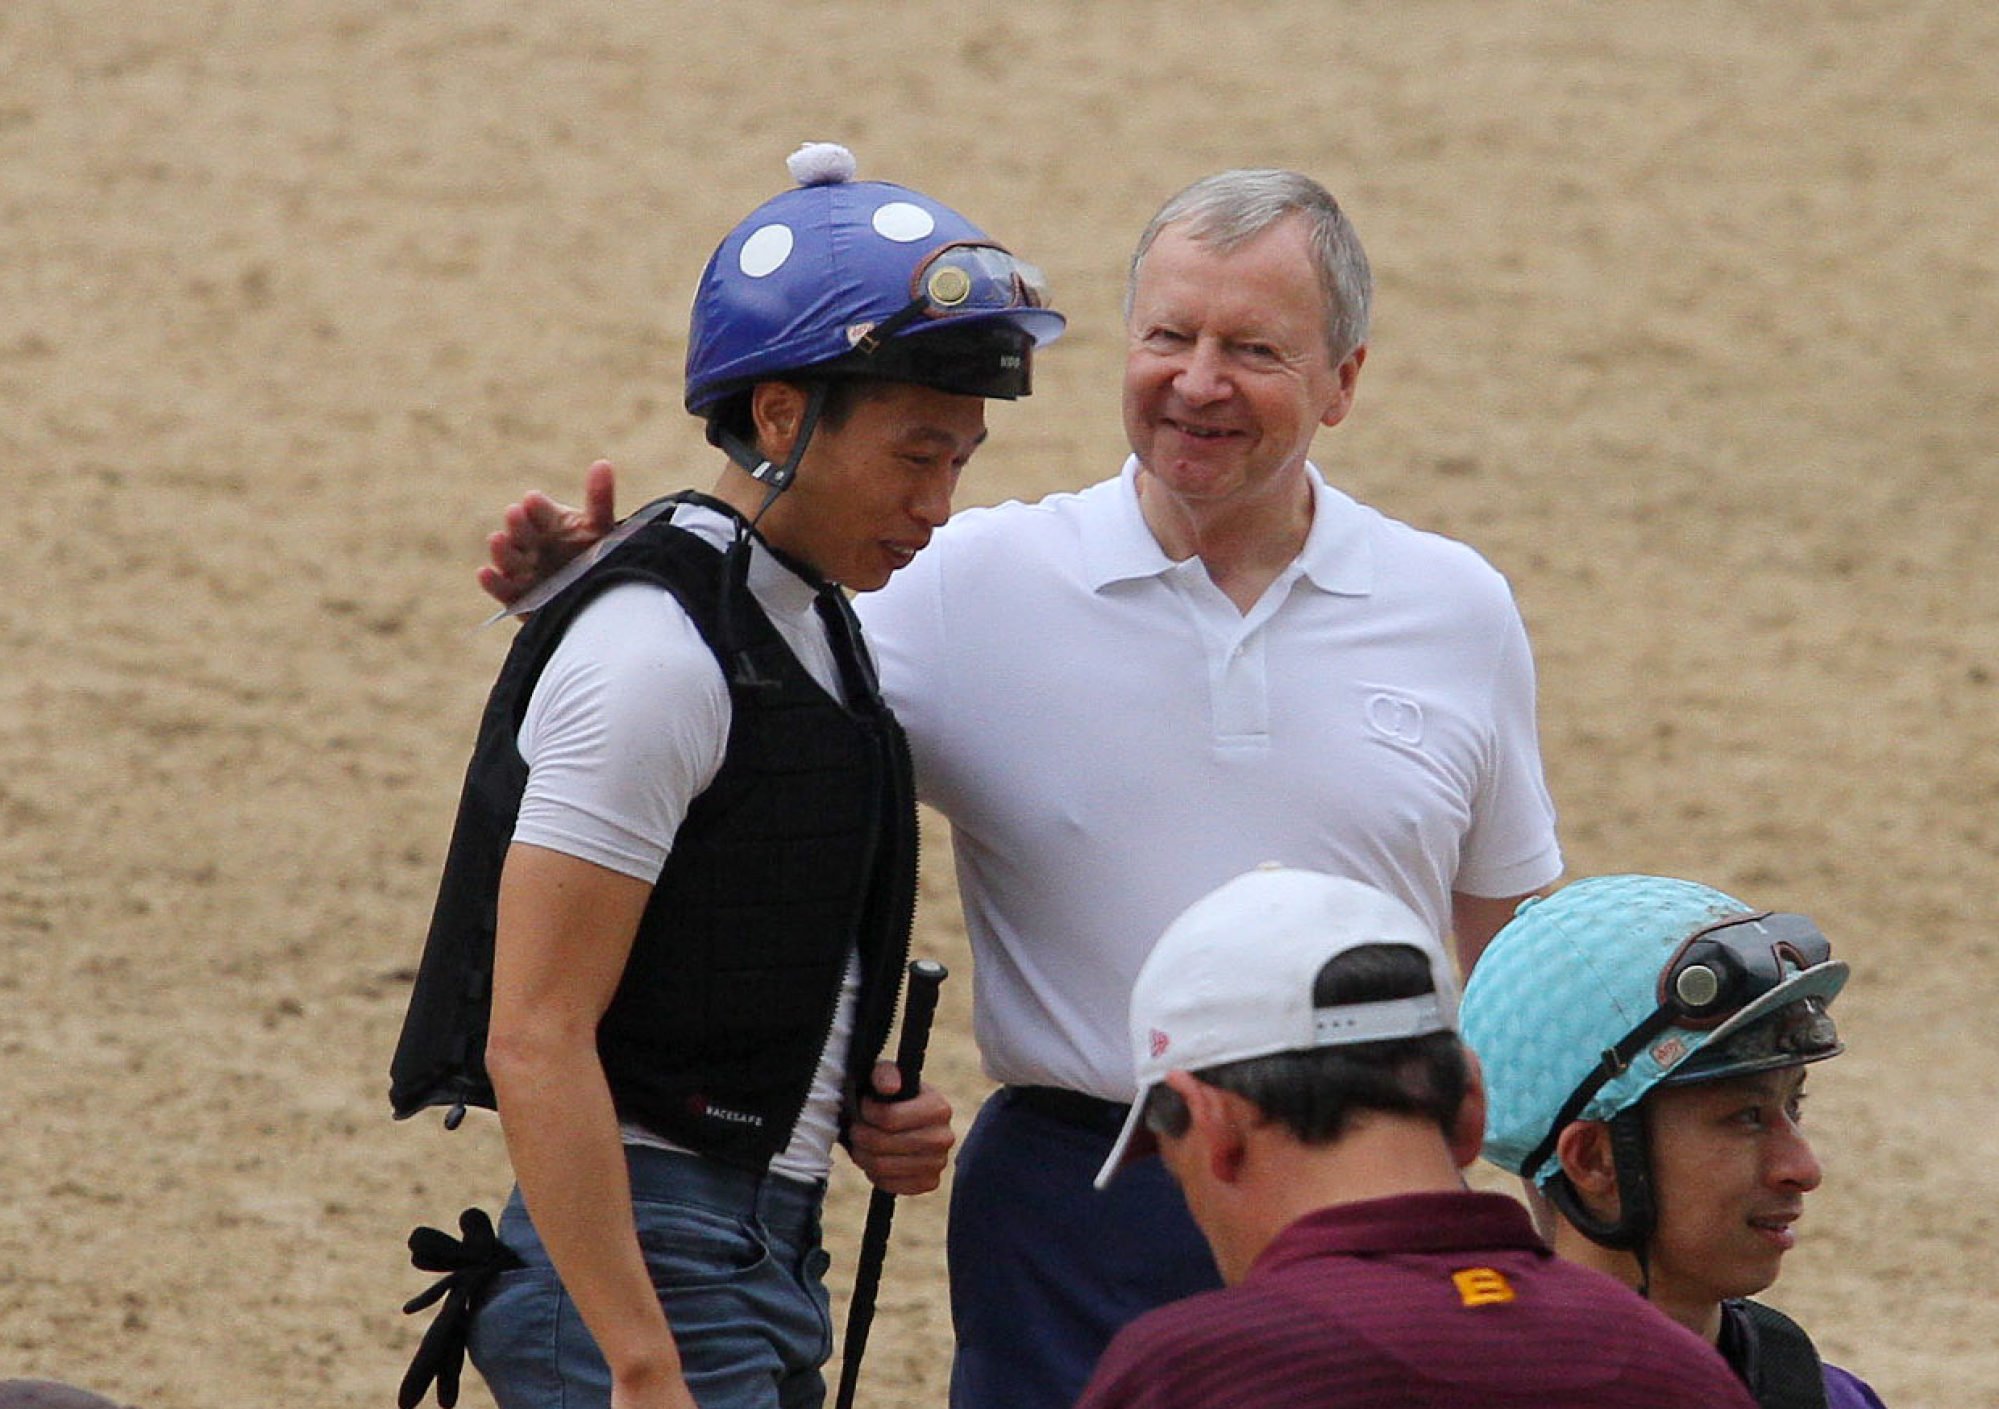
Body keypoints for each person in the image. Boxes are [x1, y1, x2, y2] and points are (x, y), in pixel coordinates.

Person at [476, 168, 1564, 1409]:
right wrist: (599, 593)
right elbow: (723, 710)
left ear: (1344, 380)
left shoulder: (1455, 605)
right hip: (1077, 1207)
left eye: (1252, 347)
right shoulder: (955, 581)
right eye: (1168, 335)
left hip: (1369, 1196)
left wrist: (1565, 1259)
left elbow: (1517, 969)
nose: (1197, 380)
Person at [387, 143, 1065, 1409]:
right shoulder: (657, 654)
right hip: (652, 1279)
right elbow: (535, 1036)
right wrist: (642, 1360)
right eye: (916, 454)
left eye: (960, 460)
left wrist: (852, 1098)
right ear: (777, 415)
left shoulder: (808, 621)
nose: (939, 501)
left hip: (753, 1251)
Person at [1074, 865, 1754, 1409]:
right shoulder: (1671, 1365)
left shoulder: (1191, 1375)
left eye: (1170, 1156)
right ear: (1468, 1106)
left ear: (1212, 1125)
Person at [1458, 874, 1889, 1409]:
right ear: (1593, 1160)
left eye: (1793, 1106)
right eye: (1746, 1117)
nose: (1802, 1167)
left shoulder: (1828, 1398)